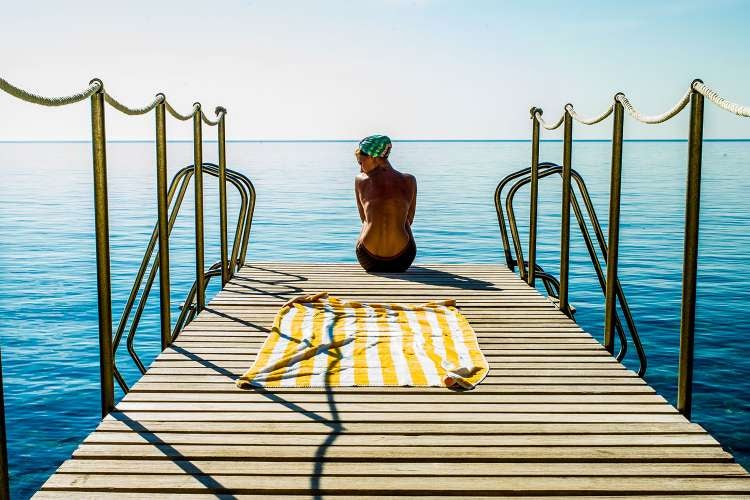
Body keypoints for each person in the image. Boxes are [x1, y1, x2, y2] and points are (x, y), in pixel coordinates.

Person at [354, 135, 417, 272]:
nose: (360, 169)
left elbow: (363, 218)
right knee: (403, 219)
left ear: (373, 157)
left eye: (361, 162)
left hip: (368, 259)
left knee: (368, 219)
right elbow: (410, 220)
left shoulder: (360, 180)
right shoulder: (410, 180)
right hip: (403, 259)